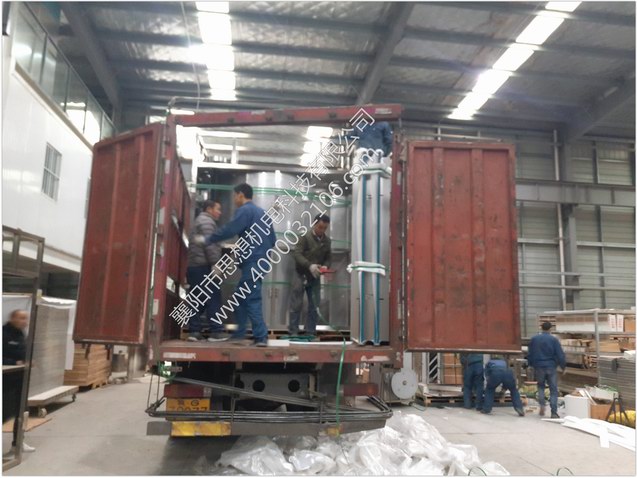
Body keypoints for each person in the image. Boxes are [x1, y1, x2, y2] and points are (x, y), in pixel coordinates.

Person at [202, 183, 276, 347]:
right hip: (261, 261)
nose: (234, 199)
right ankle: (239, 334)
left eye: (235, 196)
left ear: (241, 194)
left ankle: (261, 337)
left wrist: (209, 239)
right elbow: (273, 240)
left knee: (251, 298)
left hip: (253, 261)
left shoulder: (245, 211)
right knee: (240, 297)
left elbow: (230, 229)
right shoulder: (263, 213)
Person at [186, 199, 228, 342]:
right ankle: (216, 331)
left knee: (196, 299)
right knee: (213, 297)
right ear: (209, 209)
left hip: (194, 266)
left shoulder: (200, 220)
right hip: (203, 266)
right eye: (218, 209)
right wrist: (216, 263)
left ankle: (194, 332)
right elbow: (209, 244)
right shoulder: (207, 222)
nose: (220, 212)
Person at [289, 214, 332, 338]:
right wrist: (309, 265)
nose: (322, 230)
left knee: (314, 305)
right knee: (296, 303)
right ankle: (293, 331)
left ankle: (310, 331)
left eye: (325, 228)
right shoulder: (304, 237)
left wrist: (325, 266)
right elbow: (297, 254)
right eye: (320, 227)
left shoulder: (327, 241)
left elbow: (328, 258)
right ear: (314, 224)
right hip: (301, 274)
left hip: (315, 277)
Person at [3, 310, 35, 456]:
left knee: (21, 412)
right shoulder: (4, 334)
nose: (24, 322)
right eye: (21, 318)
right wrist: (15, 362)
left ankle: (18, 443)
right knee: (5, 413)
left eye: (26, 319)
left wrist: (28, 361)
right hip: (6, 381)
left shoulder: (21, 334)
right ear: (12, 318)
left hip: (20, 379)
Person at [528, 321, 566, 419]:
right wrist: (563, 367)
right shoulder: (554, 340)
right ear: (550, 329)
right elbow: (560, 354)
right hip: (551, 366)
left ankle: (542, 404)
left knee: (541, 386)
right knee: (553, 390)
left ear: (541, 328)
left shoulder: (534, 339)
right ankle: (554, 412)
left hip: (539, 366)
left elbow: (530, 353)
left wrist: (530, 365)